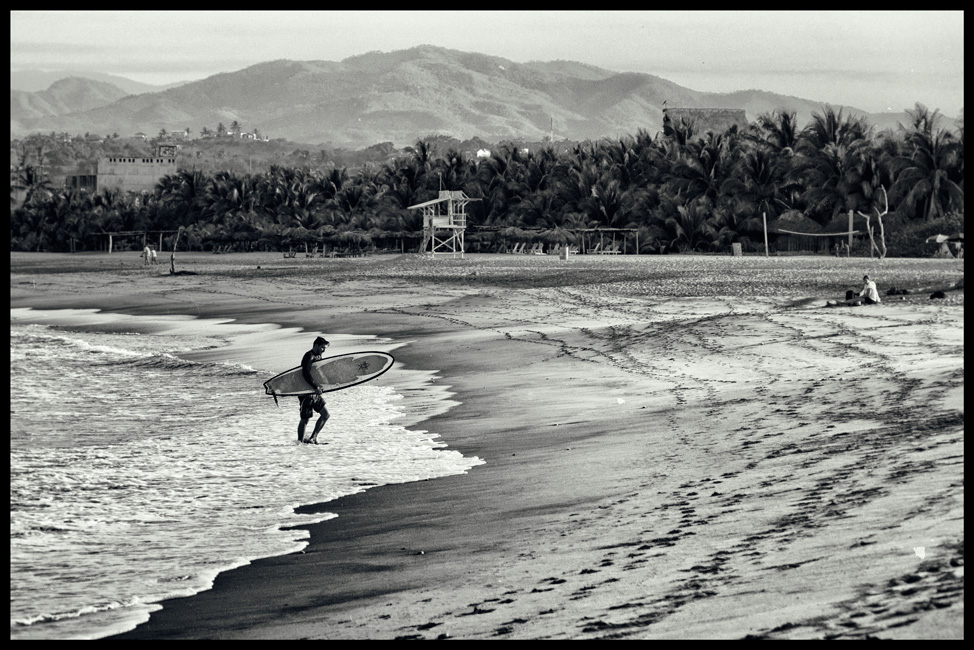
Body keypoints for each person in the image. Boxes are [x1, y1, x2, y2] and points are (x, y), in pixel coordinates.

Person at [297, 336, 330, 444]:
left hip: (314, 392)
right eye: (322, 347)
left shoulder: (319, 356)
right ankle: (300, 443)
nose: (323, 350)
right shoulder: (309, 356)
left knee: (325, 415)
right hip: (306, 393)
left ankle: (313, 438)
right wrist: (315, 387)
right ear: (316, 345)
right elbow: (305, 374)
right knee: (305, 419)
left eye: (325, 348)